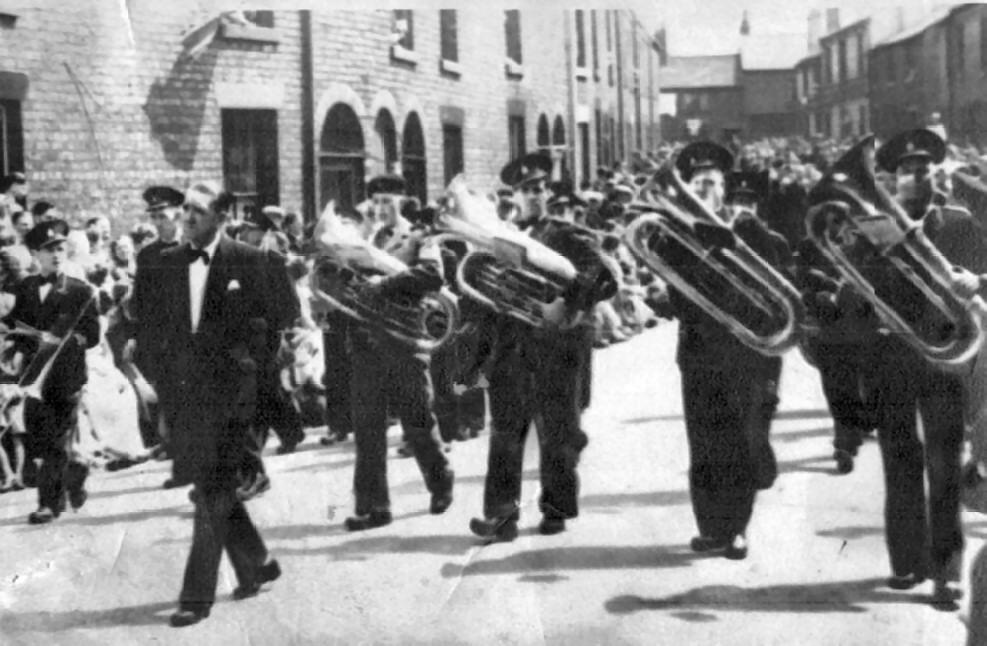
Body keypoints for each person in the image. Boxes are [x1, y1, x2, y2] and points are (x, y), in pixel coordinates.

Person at [139, 181, 298, 627]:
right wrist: (165, 384)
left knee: (211, 492)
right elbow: (151, 329)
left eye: (197, 210)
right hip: (187, 398)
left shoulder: (252, 260)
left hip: (234, 400)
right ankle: (257, 563)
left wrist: (253, 374)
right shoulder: (165, 263)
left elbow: (281, 319)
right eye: (185, 209)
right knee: (215, 488)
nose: (186, 217)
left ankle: (196, 597)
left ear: (221, 216)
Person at [469, 152, 618, 541]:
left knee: (558, 434)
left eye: (539, 188)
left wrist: (567, 303)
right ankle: (501, 517)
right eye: (525, 190)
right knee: (505, 434)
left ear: (548, 192)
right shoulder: (499, 236)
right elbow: (480, 289)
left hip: (557, 347)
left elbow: (604, 276)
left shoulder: (566, 234)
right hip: (512, 349)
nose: (534, 195)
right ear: (513, 196)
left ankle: (555, 508)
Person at [867, 129, 986, 605]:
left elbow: (985, 273)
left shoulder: (958, 222)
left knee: (944, 466)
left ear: (937, 172)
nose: (918, 176)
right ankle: (905, 562)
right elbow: (853, 287)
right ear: (894, 178)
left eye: (925, 168)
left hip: (945, 357)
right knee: (899, 463)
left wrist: (972, 281)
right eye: (908, 170)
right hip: (891, 354)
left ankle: (946, 573)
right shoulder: (874, 226)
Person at [660, 141, 782, 560]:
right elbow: (675, 301)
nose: (703, 190)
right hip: (697, 352)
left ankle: (738, 529)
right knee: (705, 444)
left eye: (711, 183)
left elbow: (775, 288)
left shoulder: (749, 230)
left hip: (745, 352)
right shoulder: (676, 236)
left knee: (741, 440)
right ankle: (711, 528)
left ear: (724, 187)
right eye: (696, 183)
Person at [341, 173, 455, 531]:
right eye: (375, 202)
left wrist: (385, 284)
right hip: (367, 342)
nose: (380, 208)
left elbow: (431, 275)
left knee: (417, 418)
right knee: (367, 428)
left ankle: (440, 480)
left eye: (388, 201)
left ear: (402, 202)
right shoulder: (365, 239)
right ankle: (374, 506)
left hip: (405, 341)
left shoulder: (419, 236)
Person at [4, 219, 100, 524]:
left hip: (66, 377)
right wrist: (19, 351)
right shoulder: (26, 287)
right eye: (48, 250)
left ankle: (49, 503)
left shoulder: (80, 290)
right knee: (38, 436)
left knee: (57, 441)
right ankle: (76, 467)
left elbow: (92, 335)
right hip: (34, 378)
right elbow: (20, 325)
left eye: (60, 248)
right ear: (35, 255)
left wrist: (64, 341)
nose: (56, 255)